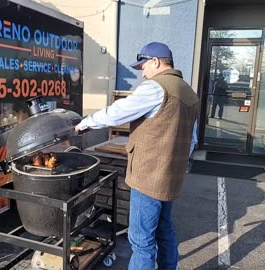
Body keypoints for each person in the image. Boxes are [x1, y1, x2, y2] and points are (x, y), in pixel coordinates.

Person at [75, 42, 199, 270]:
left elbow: (118, 112)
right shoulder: (189, 92)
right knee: (164, 227)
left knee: (141, 240)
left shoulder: (155, 88)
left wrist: (86, 123)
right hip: (172, 175)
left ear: (156, 62)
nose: (142, 73)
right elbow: (192, 140)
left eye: (144, 66)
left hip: (149, 176)